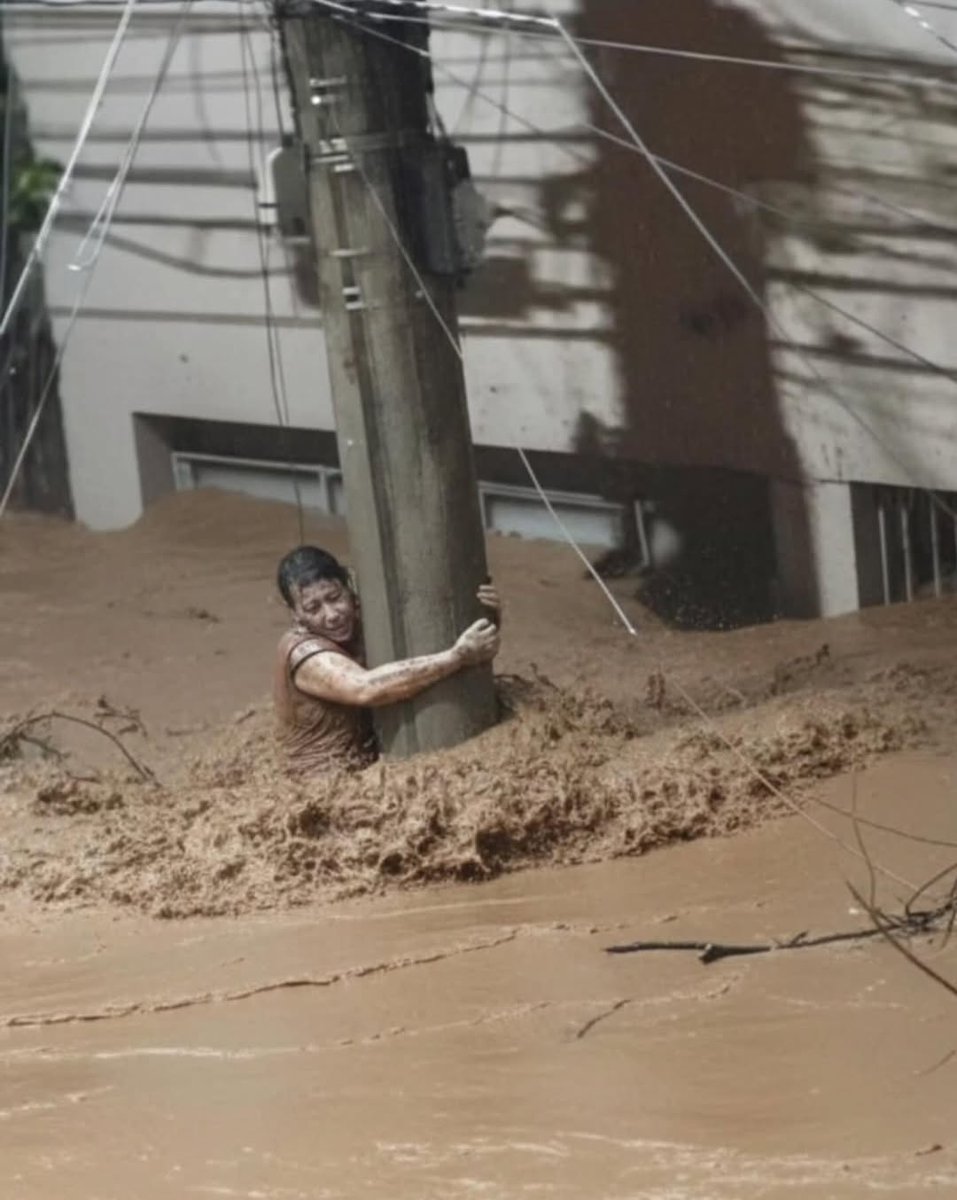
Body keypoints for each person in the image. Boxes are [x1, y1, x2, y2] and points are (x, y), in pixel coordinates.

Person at [273, 545, 501, 773]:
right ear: (295, 615)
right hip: (321, 778)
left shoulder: (366, 616)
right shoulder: (303, 652)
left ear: (349, 589)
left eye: (335, 597)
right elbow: (364, 688)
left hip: (368, 763)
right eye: (313, 608)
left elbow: (447, 640)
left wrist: (484, 613)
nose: (332, 615)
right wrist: (456, 657)